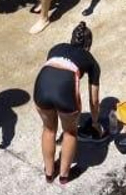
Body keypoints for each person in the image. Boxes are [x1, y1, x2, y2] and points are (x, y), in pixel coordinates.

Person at [33, 22, 101, 185]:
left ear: (71, 39)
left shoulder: (55, 48)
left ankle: (49, 173)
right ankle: (64, 175)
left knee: (49, 129)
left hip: (41, 86)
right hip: (64, 92)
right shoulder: (91, 61)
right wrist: (95, 122)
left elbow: (53, 73)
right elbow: (94, 100)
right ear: (88, 45)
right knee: (70, 132)